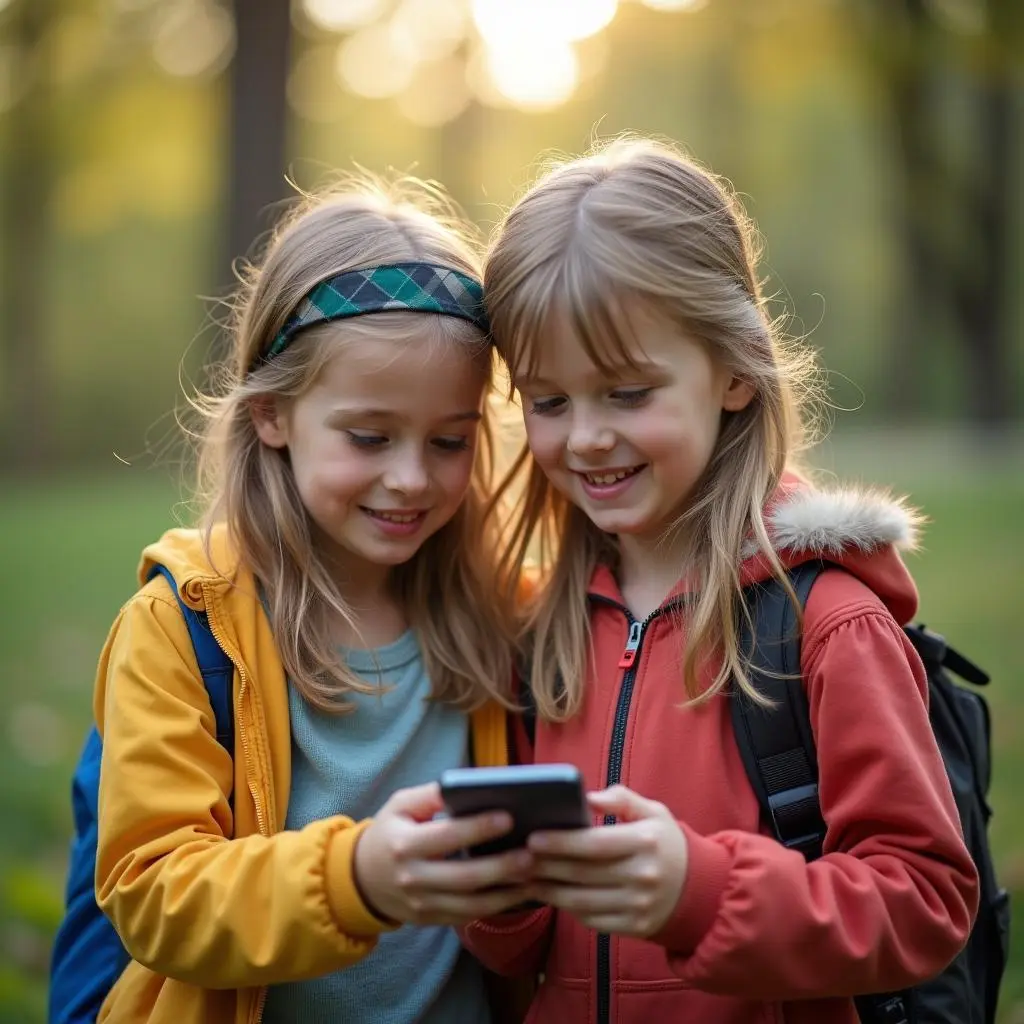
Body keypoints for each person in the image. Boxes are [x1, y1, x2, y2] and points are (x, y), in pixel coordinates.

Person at [463, 137, 978, 1024]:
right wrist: (500, 898)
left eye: (627, 394)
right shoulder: (538, 629)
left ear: (735, 371)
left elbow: (924, 902)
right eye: (549, 401)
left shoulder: (826, 624)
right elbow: (525, 951)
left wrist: (702, 893)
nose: (585, 437)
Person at [92, 178, 535, 1024]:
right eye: (368, 437)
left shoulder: (501, 614)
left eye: (450, 440)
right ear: (272, 415)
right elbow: (152, 891)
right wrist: (356, 877)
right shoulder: (184, 626)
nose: (410, 477)